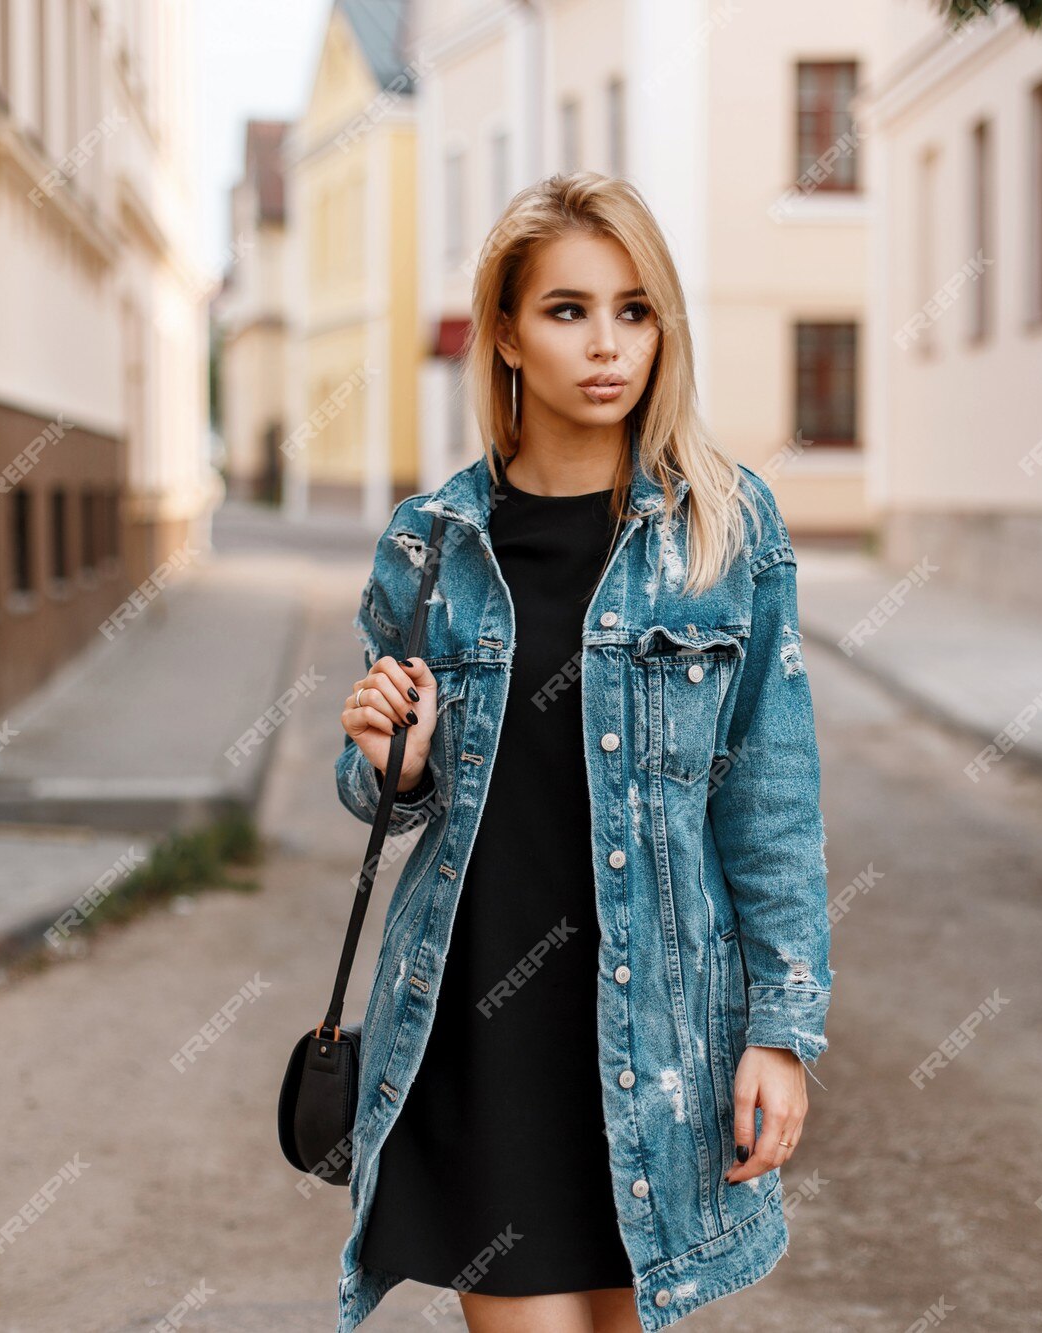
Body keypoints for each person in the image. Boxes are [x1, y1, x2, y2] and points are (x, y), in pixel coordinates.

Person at [332, 172, 833, 1333]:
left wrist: (780, 1033)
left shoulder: (725, 531)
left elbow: (769, 803)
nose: (606, 346)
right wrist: (391, 765)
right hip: (484, 1034)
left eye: (634, 310)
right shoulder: (431, 545)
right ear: (503, 331)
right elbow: (385, 795)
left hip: (656, 1038)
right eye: (566, 310)